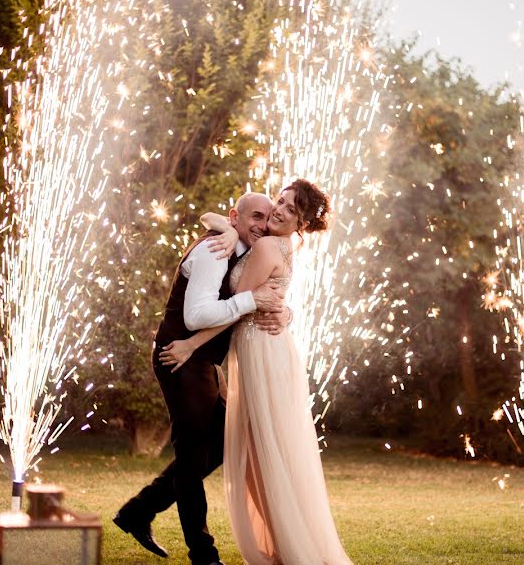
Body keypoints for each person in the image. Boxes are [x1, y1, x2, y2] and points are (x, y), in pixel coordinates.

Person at [160, 179, 353, 565]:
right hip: (264, 350)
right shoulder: (283, 243)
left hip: (261, 352)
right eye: (281, 201)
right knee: (267, 451)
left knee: (263, 452)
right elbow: (256, 297)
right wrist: (229, 228)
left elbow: (239, 305)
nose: (280, 210)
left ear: (301, 223)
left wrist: (192, 344)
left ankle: (286, 546)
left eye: (291, 209)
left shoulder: (267, 244)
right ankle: (285, 542)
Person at [114, 192, 291, 565]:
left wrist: (280, 309)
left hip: (203, 361)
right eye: (254, 217)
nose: (262, 224)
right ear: (235, 217)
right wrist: (253, 300)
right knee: (193, 455)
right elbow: (196, 316)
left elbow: (257, 289)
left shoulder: (243, 246)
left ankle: (138, 510)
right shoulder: (216, 251)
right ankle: (203, 554)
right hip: (180, 357)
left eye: (266, 217)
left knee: (224, 442)